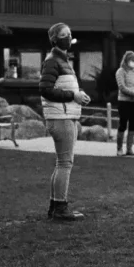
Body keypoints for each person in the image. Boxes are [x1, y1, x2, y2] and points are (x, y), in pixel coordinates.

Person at [39, 22, 91, 221]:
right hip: (60, 118)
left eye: (69, 33)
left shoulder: (63, 60)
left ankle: (55, 206)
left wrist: (79, 95)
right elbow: (45, 89)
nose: (68, 37)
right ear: (54, 39)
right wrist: (72, 96)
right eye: (63, 34)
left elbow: (61, 87)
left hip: (65, 116)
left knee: (62, 163)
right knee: (65, 163)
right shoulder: (53, 60)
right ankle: (60, 208)